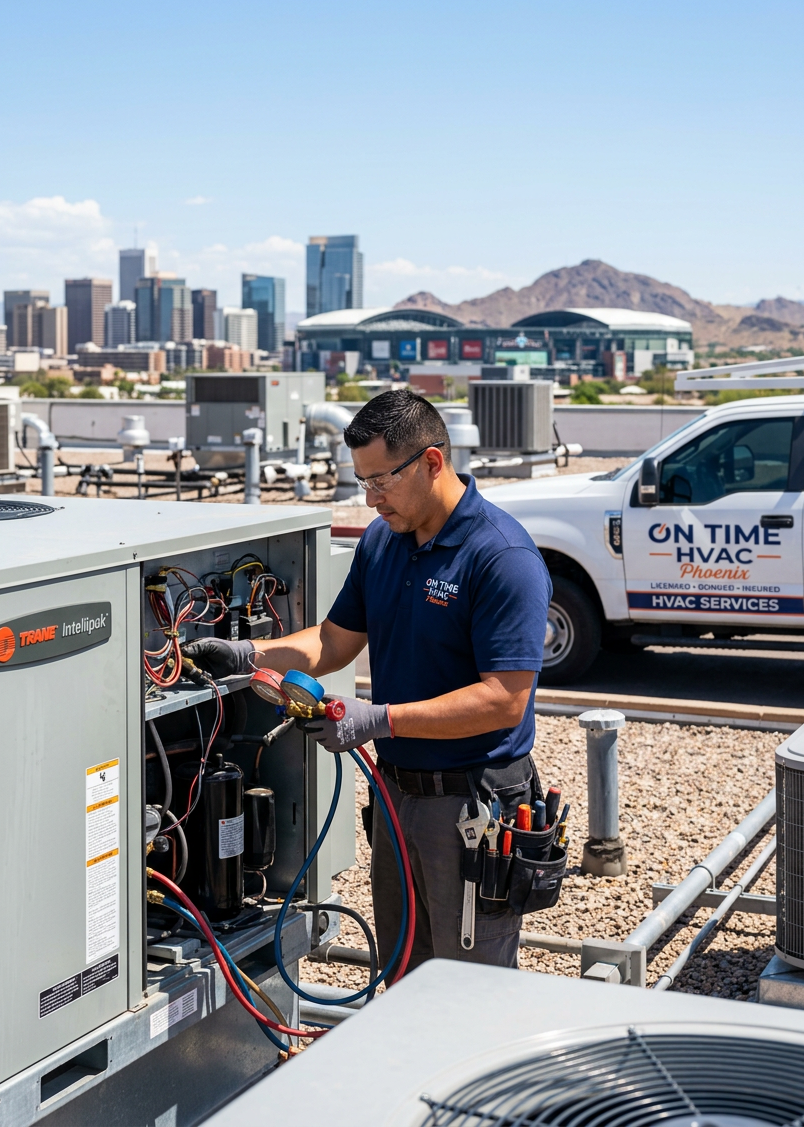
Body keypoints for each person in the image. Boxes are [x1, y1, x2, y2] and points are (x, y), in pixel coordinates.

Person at [183, 389, 551, 970]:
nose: (371, 498)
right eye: (363, 482)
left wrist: (380, 719)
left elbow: (506, 699)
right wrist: (248, 653)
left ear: (432, 462)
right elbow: (334, 641)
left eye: (381, 481)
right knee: (402, 972)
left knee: (470, 988)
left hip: (470, 805)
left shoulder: (500, 556)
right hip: (397, 794)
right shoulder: (384, 542)